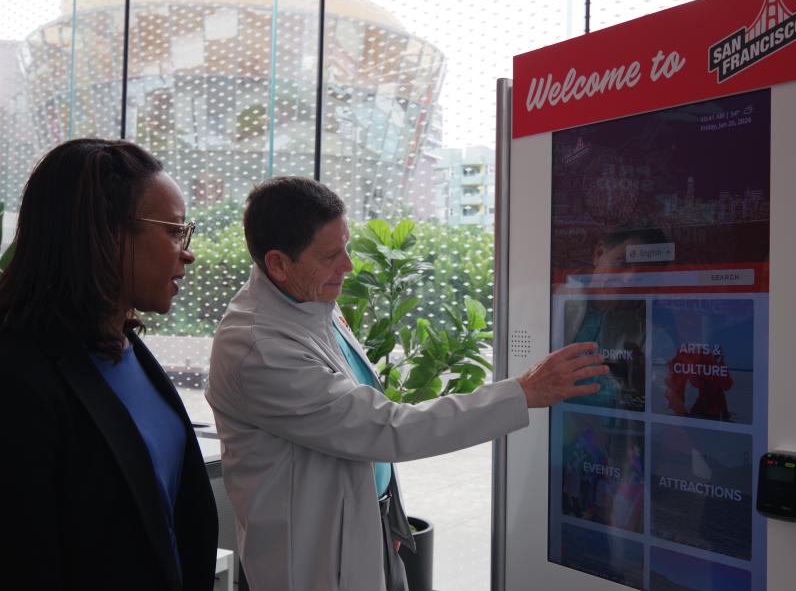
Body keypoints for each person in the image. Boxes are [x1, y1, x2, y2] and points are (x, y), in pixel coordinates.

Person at [206, 176, 609, 591]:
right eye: (330, 256)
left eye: (345, 246)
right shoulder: (257, 349)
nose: (347, 265)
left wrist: (387, 511)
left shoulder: (308, 298)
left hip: (365, 523)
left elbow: (358, 404)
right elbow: (385, 427)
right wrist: (523, 393)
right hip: (311, 559)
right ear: (278, 263)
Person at [0, 138, 219, 590]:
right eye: (175, 230)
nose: (188, 252)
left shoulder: (126, 348)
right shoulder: (18, 377)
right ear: (105, 233)